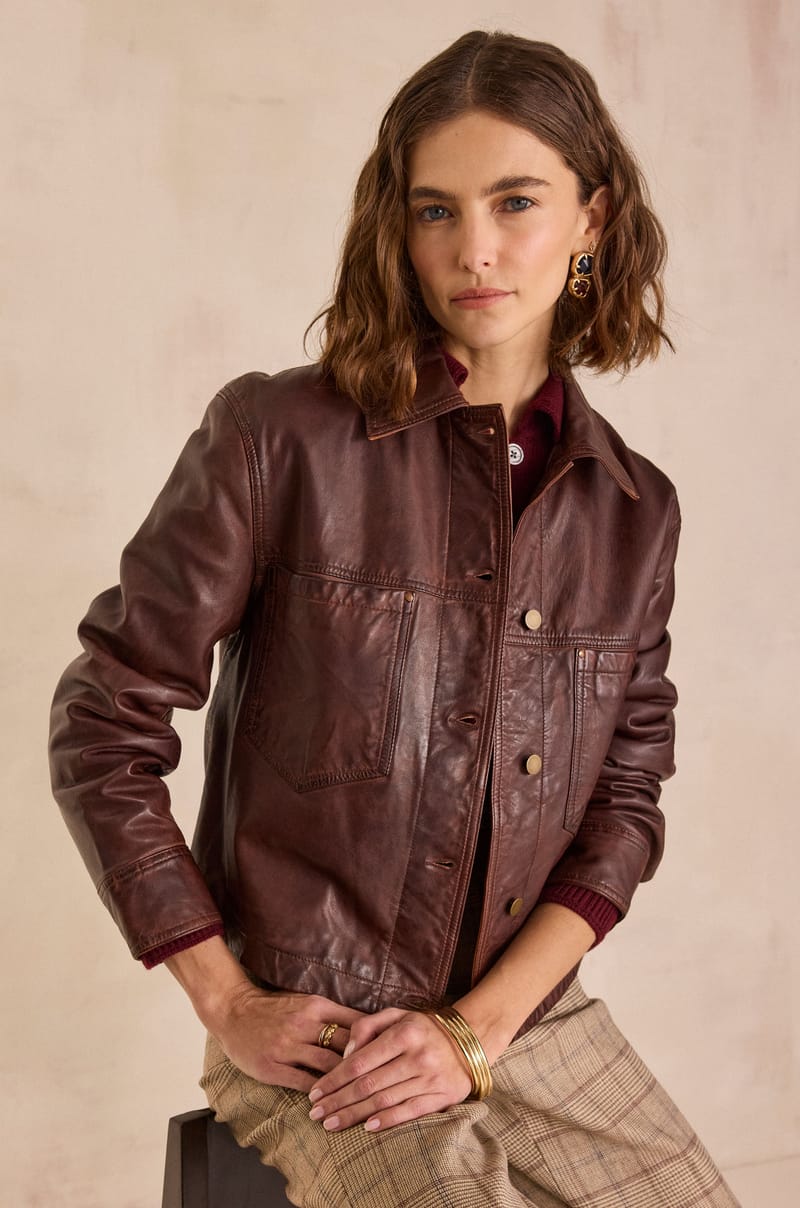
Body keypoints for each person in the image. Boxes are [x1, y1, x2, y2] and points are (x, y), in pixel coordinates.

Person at [49, 29, 740, 1208]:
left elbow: (625, 803)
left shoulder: (633, 510)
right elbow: (103, 722)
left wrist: (477, 1029)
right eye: (434, 210)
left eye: (514, 201)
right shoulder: (277, 438)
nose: (473, 248)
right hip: (318, 1028)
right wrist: (229, 1000)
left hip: (529, 1017)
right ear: (396, 227)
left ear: (591, 219)